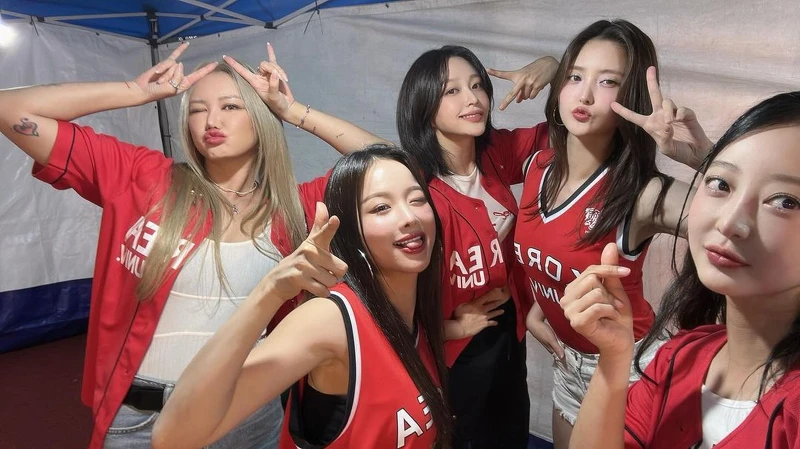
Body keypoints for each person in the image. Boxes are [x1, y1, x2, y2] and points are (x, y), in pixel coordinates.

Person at [0, 43, 325, 448]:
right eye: (197, 110)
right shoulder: (146, 178)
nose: (211, 120)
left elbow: (390, 165)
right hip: (143, 422)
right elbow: (10, 109)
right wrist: (133, 92)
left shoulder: (295, 208)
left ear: (261, 117)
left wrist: (292, 112)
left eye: (230, 106)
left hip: (247, 412)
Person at [246, 42, 558, 449]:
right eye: (451, 90)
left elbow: (574, 128)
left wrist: (552, 66)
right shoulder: (415, 178)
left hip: (505, 330)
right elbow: (371, 152)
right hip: (449, 343)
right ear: (424, 105)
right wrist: (292, 112)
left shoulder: (497, 154)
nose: (472, 98)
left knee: (508, 432)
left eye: (477, 85)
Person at [152, 145, 454, 449]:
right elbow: (174, 435)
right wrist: (270, 291)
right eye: (381, 208)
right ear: (350, 229)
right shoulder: (331, 319)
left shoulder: (413, 315)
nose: (409, 217)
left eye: (417, 200)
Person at [509, 19, 713, 449]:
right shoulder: (537, 166)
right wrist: (543, 303)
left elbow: (756, 223)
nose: (584, 95)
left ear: (630, 96)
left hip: (629, 366)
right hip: (569, 363)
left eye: (607, 82)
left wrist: (705, 159)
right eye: (575, 77)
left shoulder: (643, 193)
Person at [563, 91, 800, 449]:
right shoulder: (679, 357)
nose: (729, 222)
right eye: (721, 184)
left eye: (785, 201)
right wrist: (614, 361)